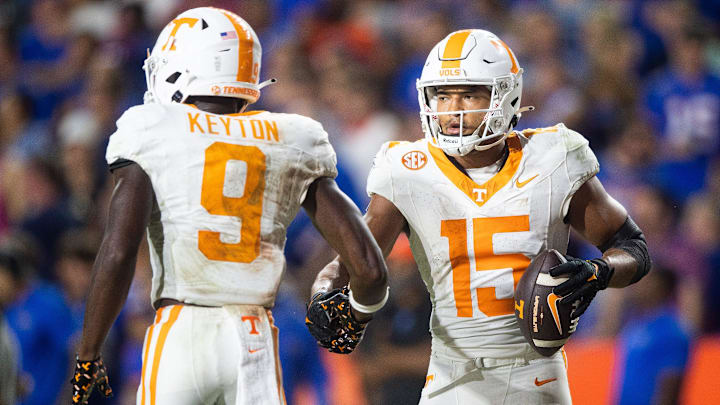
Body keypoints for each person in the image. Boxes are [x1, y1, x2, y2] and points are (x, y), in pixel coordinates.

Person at [312, 29, 651, 404]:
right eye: (442, 95)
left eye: (469, 94)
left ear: (506, 96)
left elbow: (632, 248)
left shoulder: (554, 157)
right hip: (451, 377)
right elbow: (352, 262)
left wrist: (597, 273)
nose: (453, 109)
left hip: (537, 375)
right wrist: (324, 294)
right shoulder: (406, 170)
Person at [72, 7, 388, 405]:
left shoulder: (150, 126)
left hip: (181, 332)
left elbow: (117, 252)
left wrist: (88, 354)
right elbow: (370, 268)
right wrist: (356, 315)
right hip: (253, 335)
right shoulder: (291, 136)